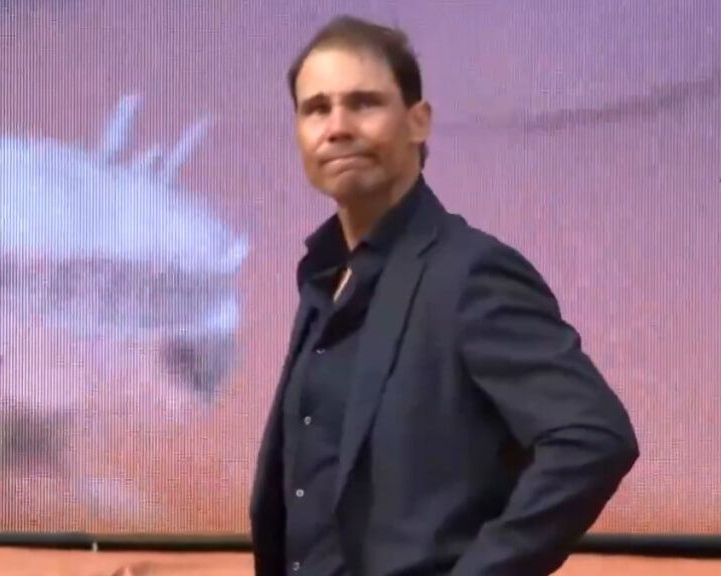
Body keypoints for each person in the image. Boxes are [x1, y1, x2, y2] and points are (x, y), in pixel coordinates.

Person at [250, 15, 639, 576]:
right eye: (316, 109)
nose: (337, 127)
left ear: (418, 122)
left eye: (363, 103)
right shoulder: (322, 280)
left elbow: (593, 437)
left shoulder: (469, 272)